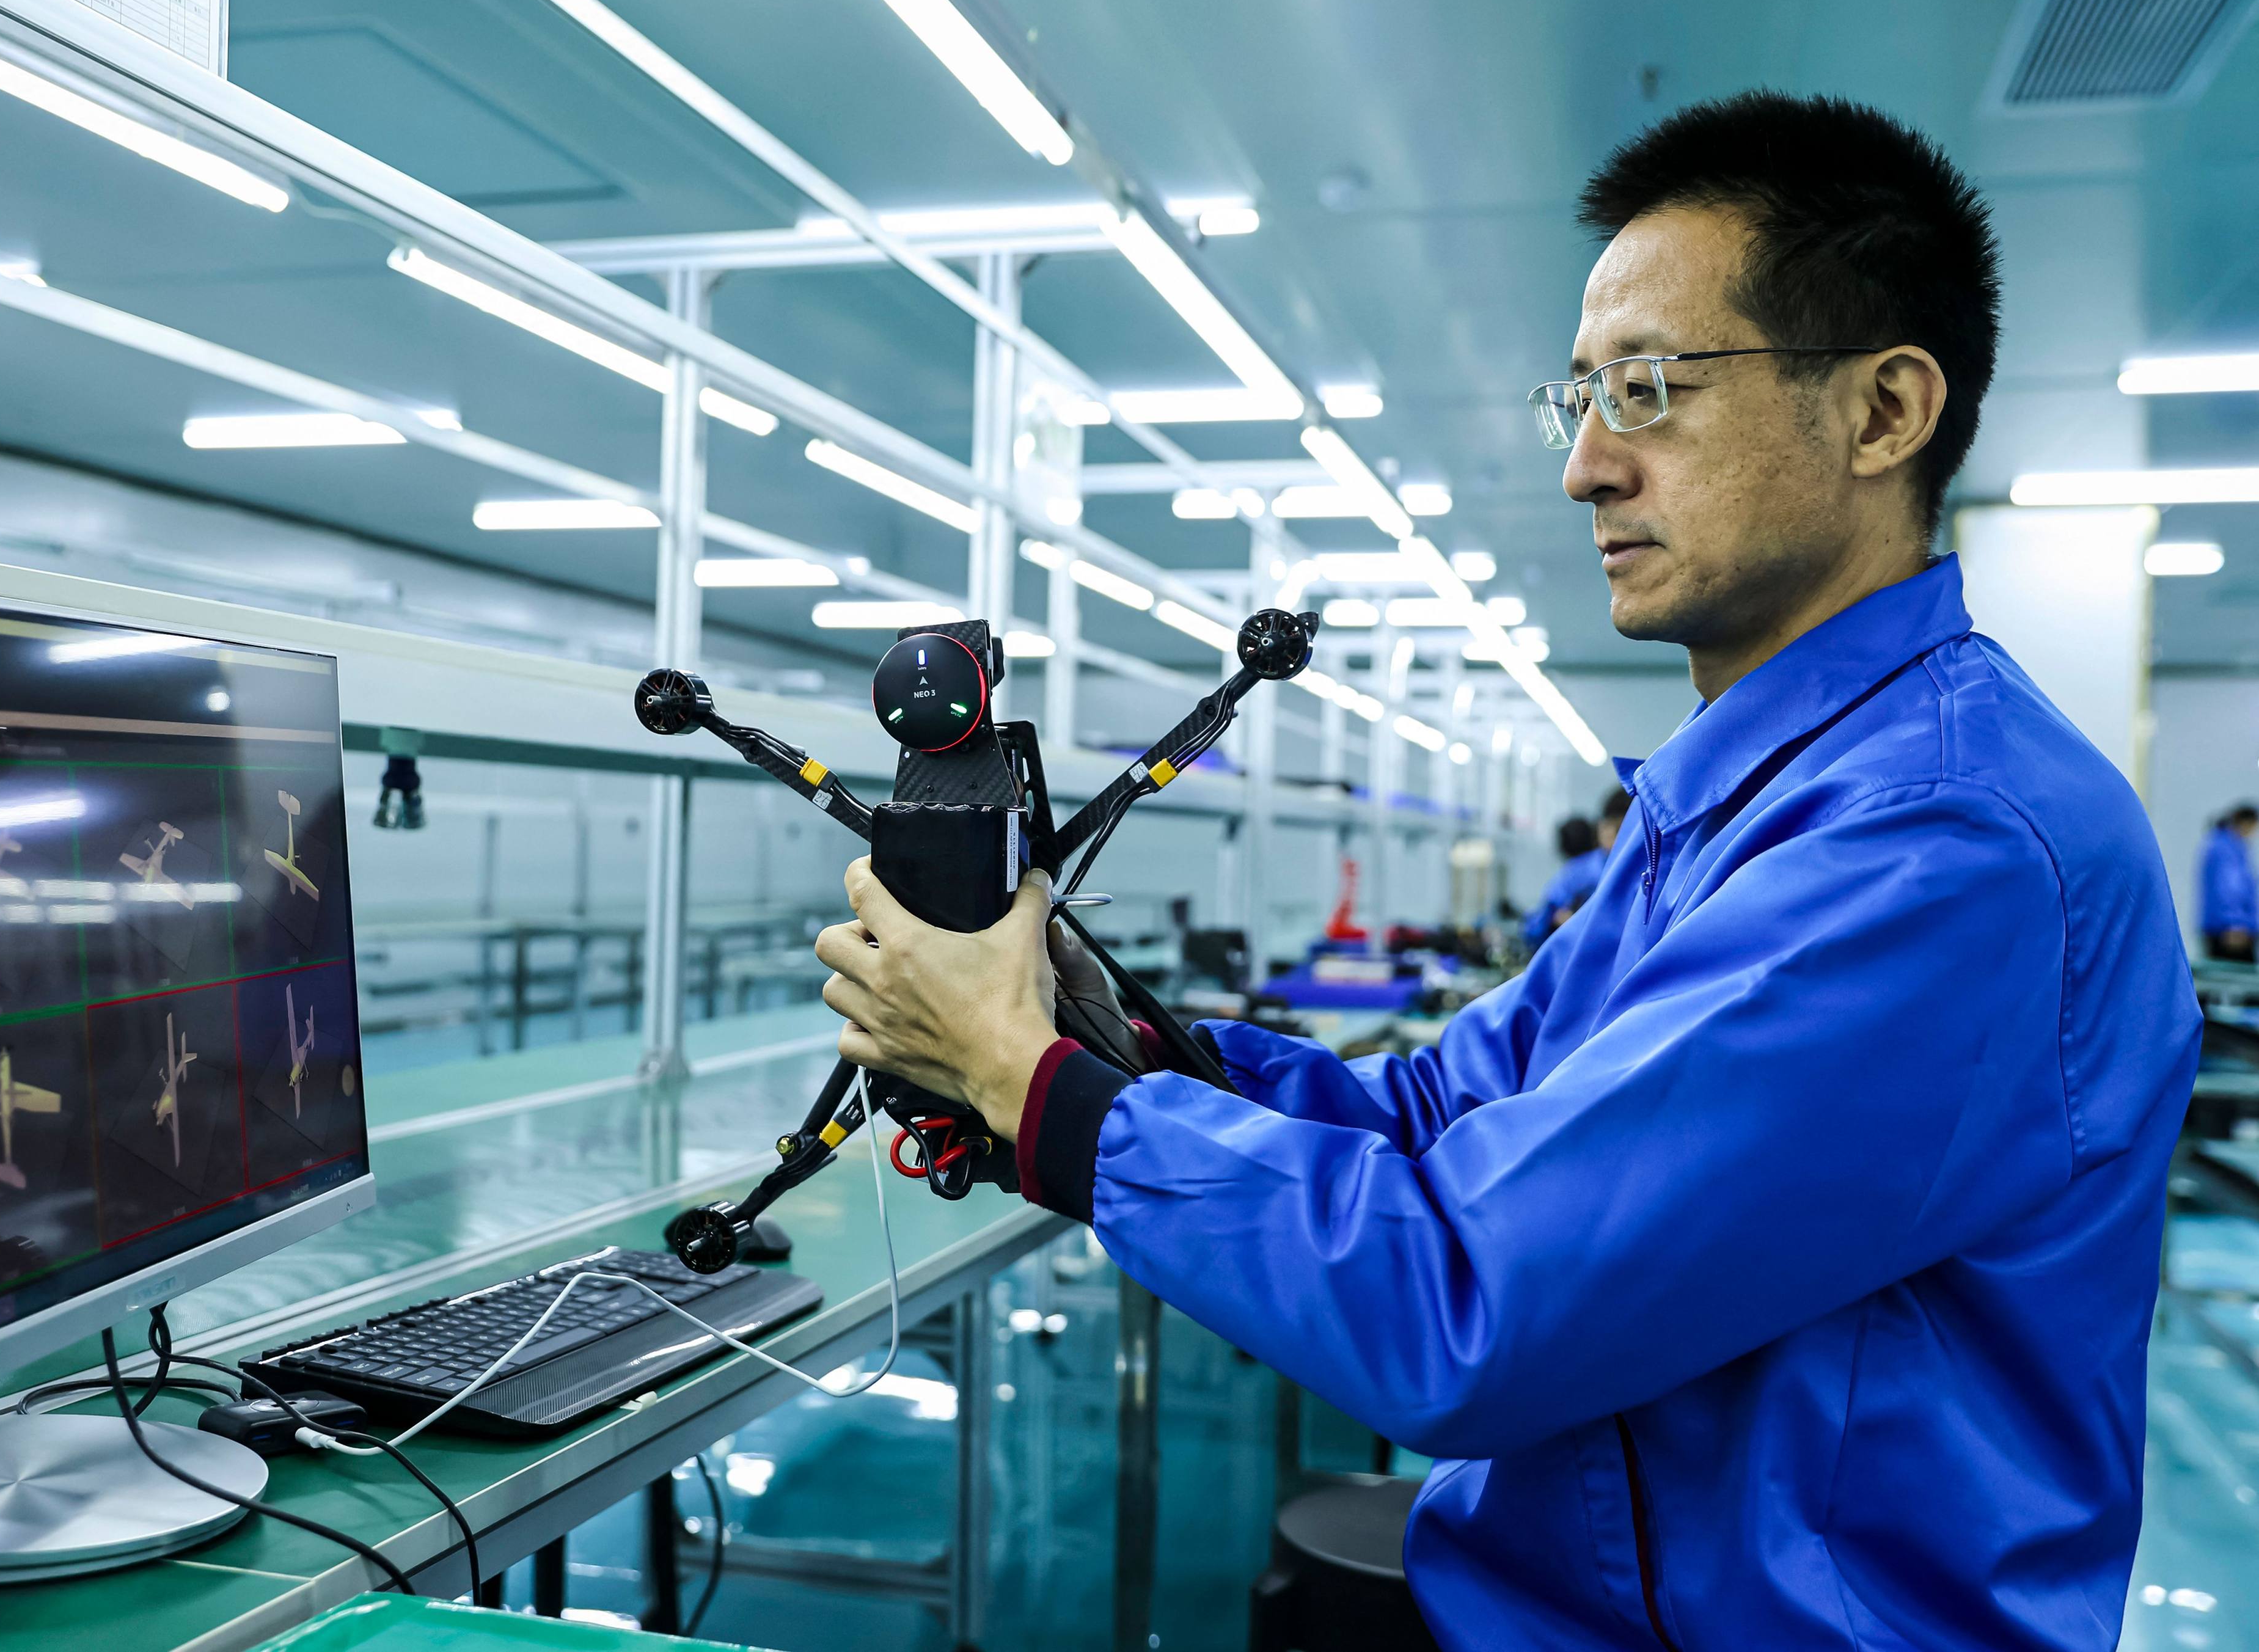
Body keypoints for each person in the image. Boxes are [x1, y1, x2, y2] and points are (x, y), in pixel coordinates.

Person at [815, 91, 2199, 1650]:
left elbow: (1473, 1301)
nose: (1586, 469)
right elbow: (1441, 1122)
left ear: (1884, 413)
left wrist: (1037, 1092)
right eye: (1582, 398)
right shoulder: (1745, 810)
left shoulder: (1943, 852)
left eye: (1656, 389)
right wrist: (1106, 1042)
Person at [1521, 788, 1631, 948]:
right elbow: (1543, 921)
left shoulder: (1645, 872)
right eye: (1607, 826)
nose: (1611, 835)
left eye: (1620, 828)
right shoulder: (1581, 871)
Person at [2204, 803, 2259, 962]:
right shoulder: (2227, 851)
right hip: (2232, 933)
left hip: (2226, 929)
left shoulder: (2224, 846)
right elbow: (2230, 889)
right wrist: (2234, 924)